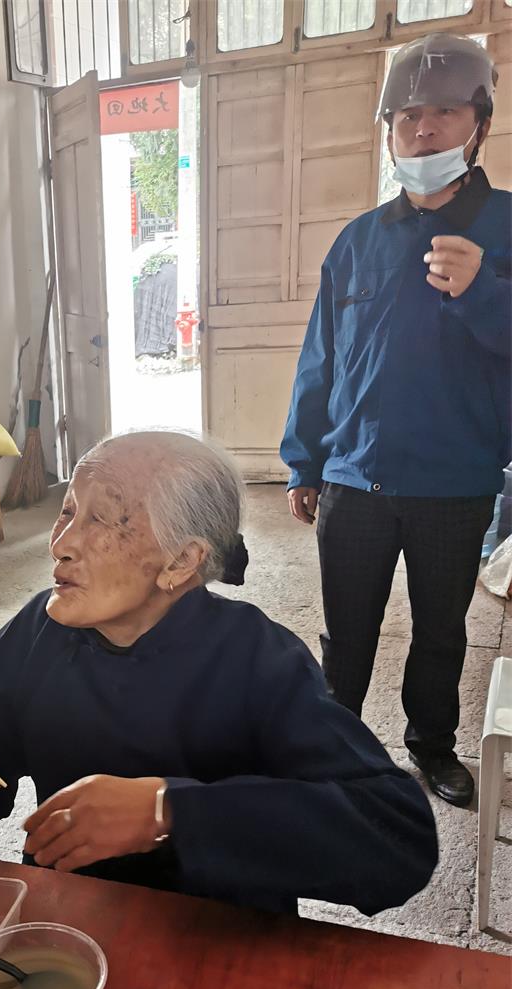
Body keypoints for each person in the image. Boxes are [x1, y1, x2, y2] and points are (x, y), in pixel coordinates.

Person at [0, 432, 438, 916]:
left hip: (216, 939)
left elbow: (397, 837)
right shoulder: (39, 630)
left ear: (181, 562)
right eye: (67, 511)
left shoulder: (256, 658)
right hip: (71, 923)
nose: (60, 544)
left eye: (101, 519)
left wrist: (169, 812)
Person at [281, 34, 510, 808]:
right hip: (356, 479)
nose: (423, 130)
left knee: (441, 633)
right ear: (389, 130)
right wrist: (303, 461)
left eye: (443, 112)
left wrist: (485, 290)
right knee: (346, 630)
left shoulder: (506, 228)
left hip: (456, 481)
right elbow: (322, 359)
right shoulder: (358, 242)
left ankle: (431, 746)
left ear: (478, 122)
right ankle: (332, 742)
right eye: (408, 116)